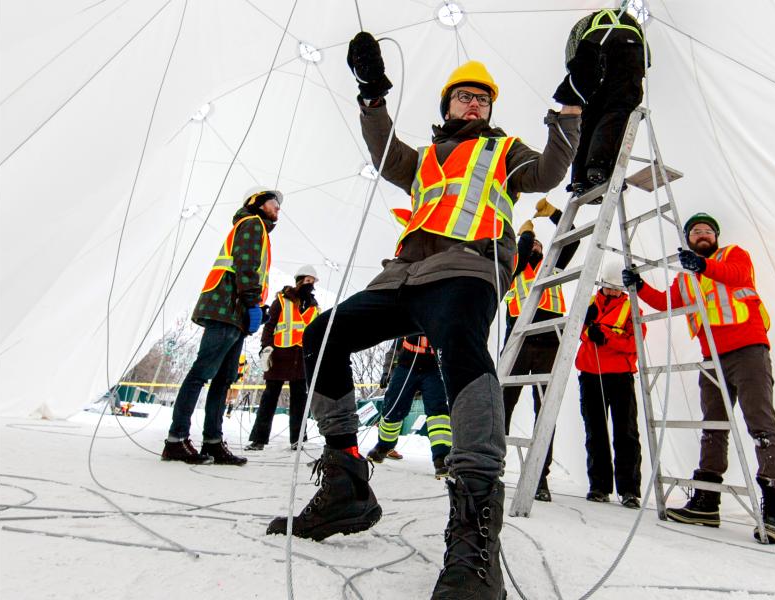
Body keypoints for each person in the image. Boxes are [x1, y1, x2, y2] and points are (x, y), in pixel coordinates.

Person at [266, 30, 589, 600]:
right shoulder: (423, 160)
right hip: (404, 276)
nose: (473, 104)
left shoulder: (503, 151)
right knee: (321, 335)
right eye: (464, 96)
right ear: (445, 106)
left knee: (464, 349)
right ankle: (345, 477)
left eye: (481, 99)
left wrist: (568, 107)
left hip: (466, 270)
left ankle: (473, 529)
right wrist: (372, 94)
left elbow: (548, 174)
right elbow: (385, 153)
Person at [623, 212, 775, 545]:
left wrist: (703, 267)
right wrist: (639, 286)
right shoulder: (687, 277)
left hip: (748, 349)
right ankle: (706, 501)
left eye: (707, 231)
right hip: (712, 357)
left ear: (715, 237)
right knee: (713, 428)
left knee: (760, 424)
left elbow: (737, 275)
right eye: (695, 231)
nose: (702, 234)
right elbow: (666, 302)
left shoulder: (732, 255)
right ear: (688, 240)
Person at [161, 187, 280, 466]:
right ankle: (175, 439)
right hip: (226, 308)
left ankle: (213, 441)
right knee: (201, 373)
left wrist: (255, 307)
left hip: (234, 311)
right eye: (274, 203)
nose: (278, 209)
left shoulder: (257, 228)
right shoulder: (252, 224)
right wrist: (252, 301)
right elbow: (246, 264)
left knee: (223, 379)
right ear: (258, 203)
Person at [501, 197, 580, 502]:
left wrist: (553, 215)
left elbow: (570, 238)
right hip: (519, 342)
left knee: (544, 411)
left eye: (538, 244)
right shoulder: (514, 269)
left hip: (549, 341)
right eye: (532, 244)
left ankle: (539, 476)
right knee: (504, 405)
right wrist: (524, 236)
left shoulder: (552, 267)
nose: (536, 247)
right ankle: (493, 465)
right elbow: (518, 256)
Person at [575, 257, 644, 508]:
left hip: (620, 376)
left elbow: (634, 344)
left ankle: (629, 490)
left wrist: (605, 338)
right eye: (609, 286)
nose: (613, 291)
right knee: (595, 431)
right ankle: (599, 486)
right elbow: (576, 332)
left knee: (625, 432)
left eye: (617, 288)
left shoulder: (632, 309)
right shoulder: (588, 303)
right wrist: (586, 325)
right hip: (591, 373)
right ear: (601, 284)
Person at [563, 8, 649, 198]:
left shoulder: (584, 23)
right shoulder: (630, 22)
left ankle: (579, 179)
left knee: (588, 113)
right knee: (619, 105)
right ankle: (598, 164)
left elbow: (571, 57)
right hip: (628, 47)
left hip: (590, 50)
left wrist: (579, 80)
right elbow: (646, 56)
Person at [245, 266, 321, 451]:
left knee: (299, 401)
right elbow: (270, 326)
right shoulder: (282, 300)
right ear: (299, 281)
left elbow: (317, 332)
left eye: (313, 282)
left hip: (301, 358)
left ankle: (298, 440)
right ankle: (259, 439)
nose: (310, 285)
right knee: (269, 398)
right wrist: (266, 347)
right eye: (307, 281)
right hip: (279, 355)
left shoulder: (314, 307)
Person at [366, 335, 452, 478]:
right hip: (405, 367)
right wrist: (386, 372)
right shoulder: (410, 319)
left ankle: (441, 458)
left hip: (433, 371)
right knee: (393, 407)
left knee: (438, 413)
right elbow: (393, 350)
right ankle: (384, 446)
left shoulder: (439, 319)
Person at [225, 353, 249, 418]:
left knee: (233, 398)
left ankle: (229, 412)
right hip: (231, 381)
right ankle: (222, 409)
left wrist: (241, 376)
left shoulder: (247, 366)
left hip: (238, 383)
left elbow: (247, 375)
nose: (240, 365)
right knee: (227, 396)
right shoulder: (234, 363)